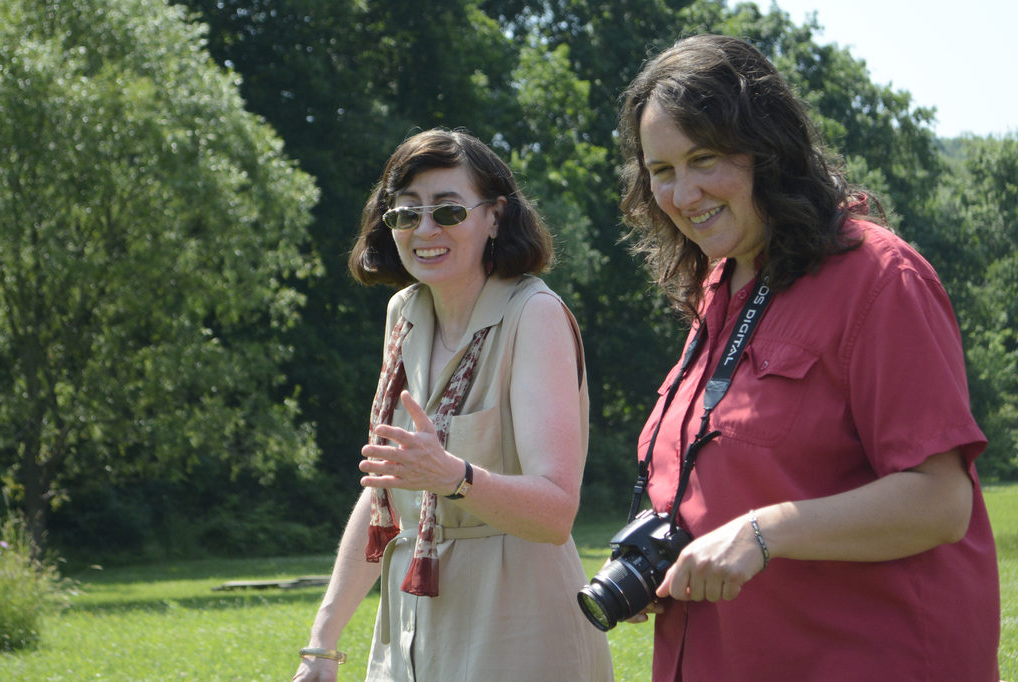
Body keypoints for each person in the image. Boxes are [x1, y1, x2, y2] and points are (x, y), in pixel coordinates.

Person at [615, 34, 999, 681]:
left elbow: (940, 501)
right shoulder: (721, 287)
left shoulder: (879, 277)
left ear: (767, 148)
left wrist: (762, 533)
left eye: (704, 158)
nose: (683, 194)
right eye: (661, 171)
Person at [292, 128, 612, 681]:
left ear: (495, 216)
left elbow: (556, 512)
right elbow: (384, 493)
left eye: (448, 211)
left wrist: (453, 477)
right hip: (408, 638)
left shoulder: (533, 315)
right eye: (406, 213)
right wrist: (322, 643)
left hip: (518, 634)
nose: (426, 229)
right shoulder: (404, 313)